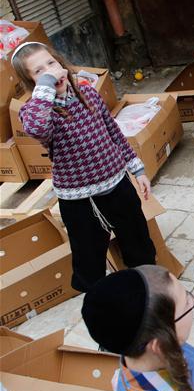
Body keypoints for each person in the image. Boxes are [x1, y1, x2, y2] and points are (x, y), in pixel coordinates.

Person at [13, 42, 155, 292]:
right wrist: (46, 86)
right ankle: (101, 300)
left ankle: (147, 286)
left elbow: (114, 133)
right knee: (89, 258)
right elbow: (36, 128)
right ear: (32, 83)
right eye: (38, 72)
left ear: (61, 64)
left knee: (138, 242)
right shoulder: (37, 112)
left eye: (51, 63)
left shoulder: (88, 94)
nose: (49, 71)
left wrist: (138, 170)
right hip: (79, 200)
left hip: (117, 185)